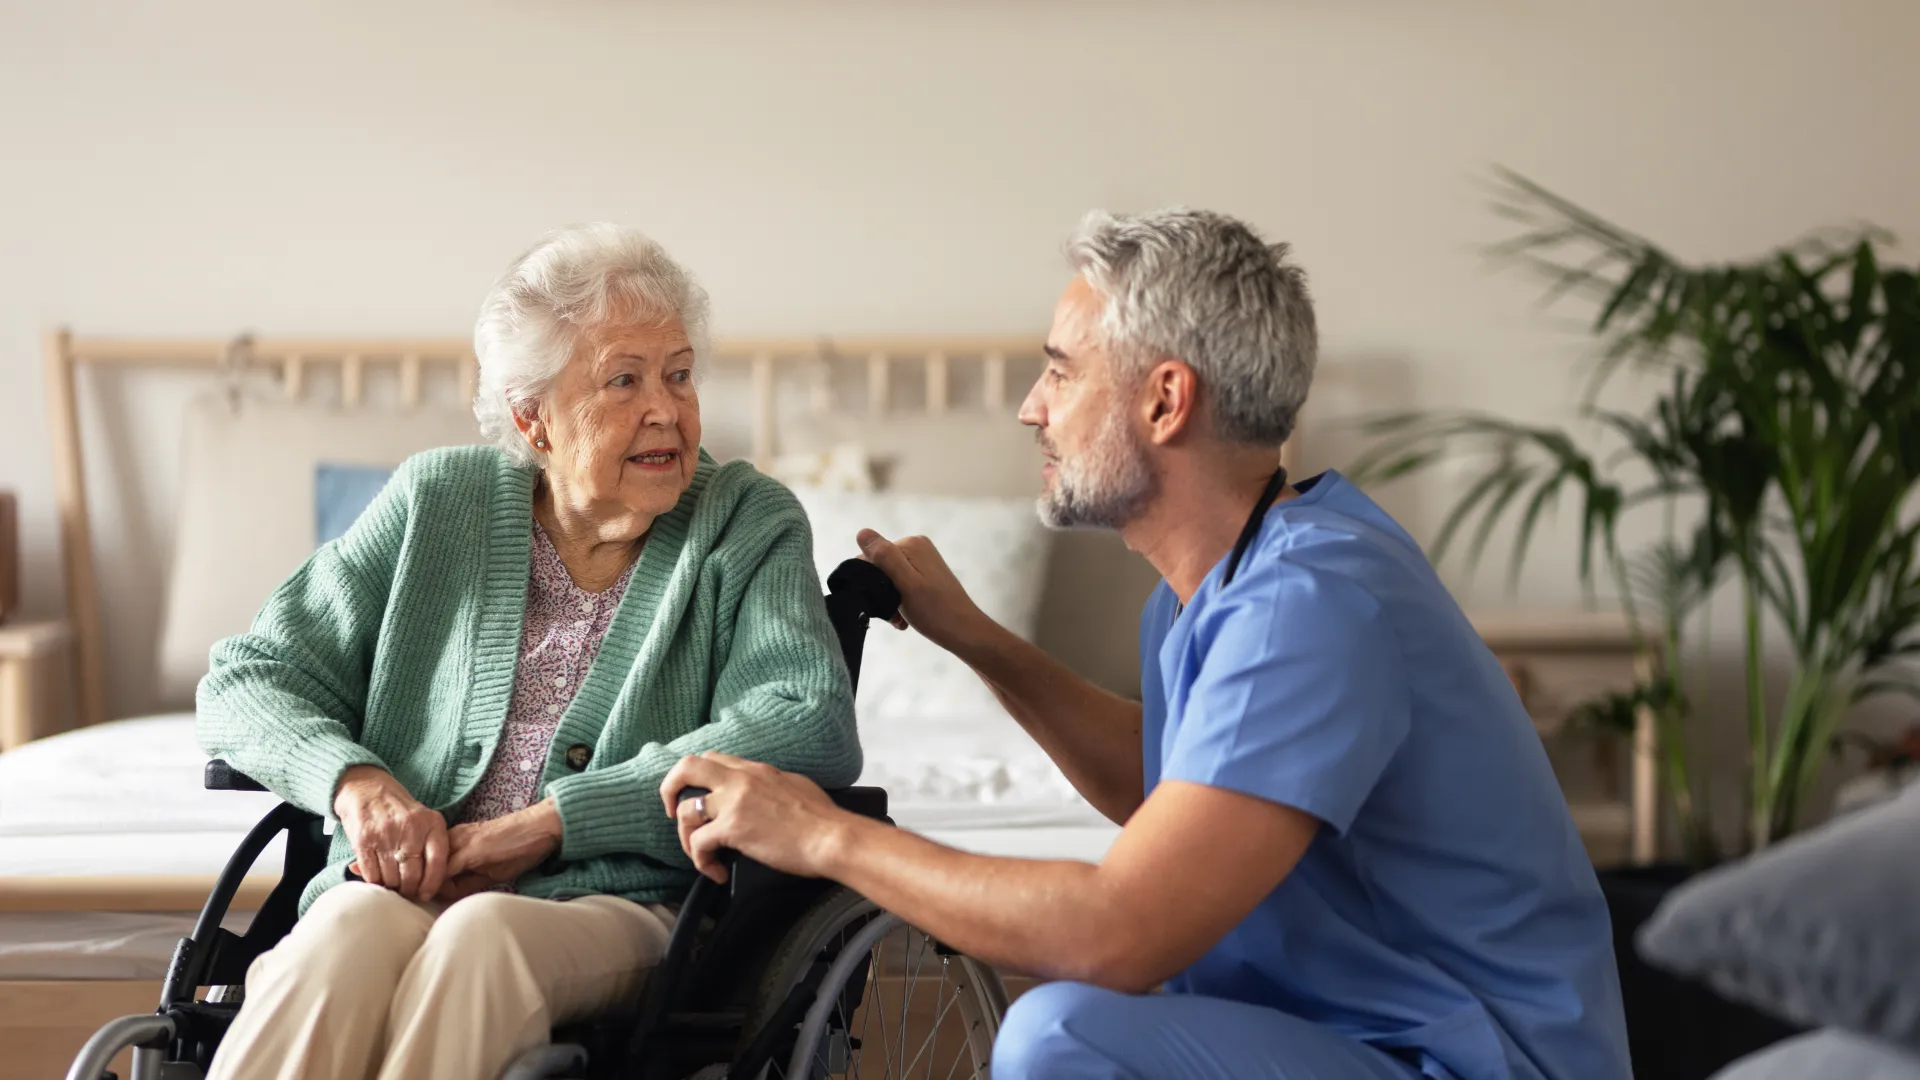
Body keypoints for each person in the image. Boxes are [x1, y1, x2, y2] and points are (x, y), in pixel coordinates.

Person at [662, 208, 1632, 1080]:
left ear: (1166, 401)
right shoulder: (1218, 582)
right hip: (1358, 1037)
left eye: (1059, 370)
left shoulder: (1312, 604)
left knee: (1060, 1036)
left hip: (1470, 1061)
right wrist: (977, 639)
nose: (1030, 407)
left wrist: (825, 835)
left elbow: (1118, 932)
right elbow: (1179, 795)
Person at [195, 223, 860, 1080]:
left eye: (680, 374)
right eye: (624, 380)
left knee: (482, 938)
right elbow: (249, 677)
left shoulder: (745, 522)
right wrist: (357, 786)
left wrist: (556, 824)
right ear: (531, 417)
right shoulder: (439, 501)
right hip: (404, 888)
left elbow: (807, 722)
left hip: (626, 904)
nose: (667, 408)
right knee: (343, 934)